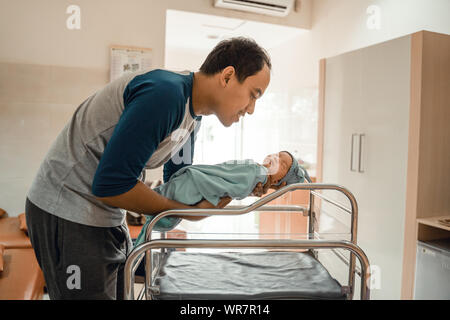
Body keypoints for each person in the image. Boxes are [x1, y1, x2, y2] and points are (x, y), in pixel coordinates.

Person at [25, 37, 275, 300]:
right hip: (67, 208)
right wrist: (183, 212)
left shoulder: (192, 114)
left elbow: (181, 184)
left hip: (106, 213)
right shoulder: (164, 94)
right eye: (253, 94)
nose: (251, 109)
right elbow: (112, 185)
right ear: (227, 76)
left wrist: (239, 186)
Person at [134, 150, 312, 247]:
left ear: (281, 181)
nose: (275, 157)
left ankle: (138, 206)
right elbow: (228, 177)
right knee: (161, 199)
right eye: (277, 154)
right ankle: (136, 204)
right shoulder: (256, 170)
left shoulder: (258, 174)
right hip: (196, 179)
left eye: (282, 163)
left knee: (164, 198)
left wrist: (245, 188)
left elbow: (232, 186)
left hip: (194, 182)